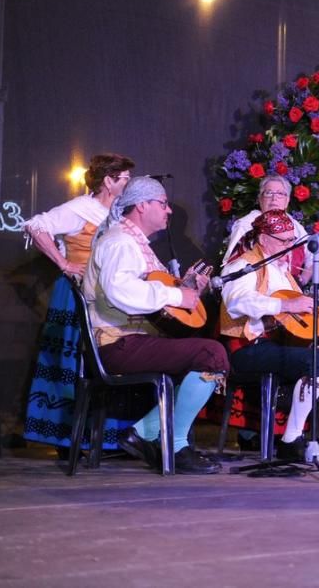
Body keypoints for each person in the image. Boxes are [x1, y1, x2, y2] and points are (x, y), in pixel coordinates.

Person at [84, 176, 229, 474]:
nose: (169, 210)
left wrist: (186, 289)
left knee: (203, 357)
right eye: (162, 204)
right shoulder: (120, 242)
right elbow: (120, 290)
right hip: (117, 343)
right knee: (211, 355)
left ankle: (144, 431)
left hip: (132, 340)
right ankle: (173, 444)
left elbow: (148, 288)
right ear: (141, 206)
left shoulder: (135, 244)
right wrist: (177, 294)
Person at [220, 210, 319, 458]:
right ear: (264, 238)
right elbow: (236, 303)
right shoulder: (243, 265)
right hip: (248, 348)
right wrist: (286, 305)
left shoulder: (283, 272)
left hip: (280, 344)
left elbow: (295, 318)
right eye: (283, 240)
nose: (289, 246)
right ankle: (290, 440)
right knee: (318, 362)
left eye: (291, 240)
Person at [22, 152, 135, 451]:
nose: (129, 184)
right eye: (124, 179)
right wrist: (63, 263)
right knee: (74, 363)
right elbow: (37, 225)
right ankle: (68, 438)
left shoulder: (119, 214)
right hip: (76, 297)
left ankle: (105, 439)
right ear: (108, 181)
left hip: (105, 297)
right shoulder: (81, 208)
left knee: (105, 361)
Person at [223, 174, 310, 282]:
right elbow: (232, 266)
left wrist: (303, 280)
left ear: (287, 200)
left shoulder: (295, 225)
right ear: (260, 199)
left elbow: (314, 256)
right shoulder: (246, 224)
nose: (274, 198)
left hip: (290, 289)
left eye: (280, 194)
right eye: (269, 193)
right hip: (257, 287)